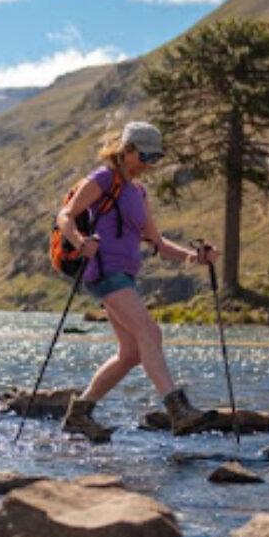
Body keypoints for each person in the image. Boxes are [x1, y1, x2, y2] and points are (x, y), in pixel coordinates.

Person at [54, 120, 219, 443]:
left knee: (130, 353)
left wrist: (197, 258)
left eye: (155, 159)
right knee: (149, 332)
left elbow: (157, 242)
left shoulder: (138, 191)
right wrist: (78, 240)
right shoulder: (103, 178)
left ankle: (79, 414)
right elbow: (66, 215)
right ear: (126, 150)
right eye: (146, 157)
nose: (150, 165)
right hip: (103, 271)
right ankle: (178, 411)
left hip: (125, 275)